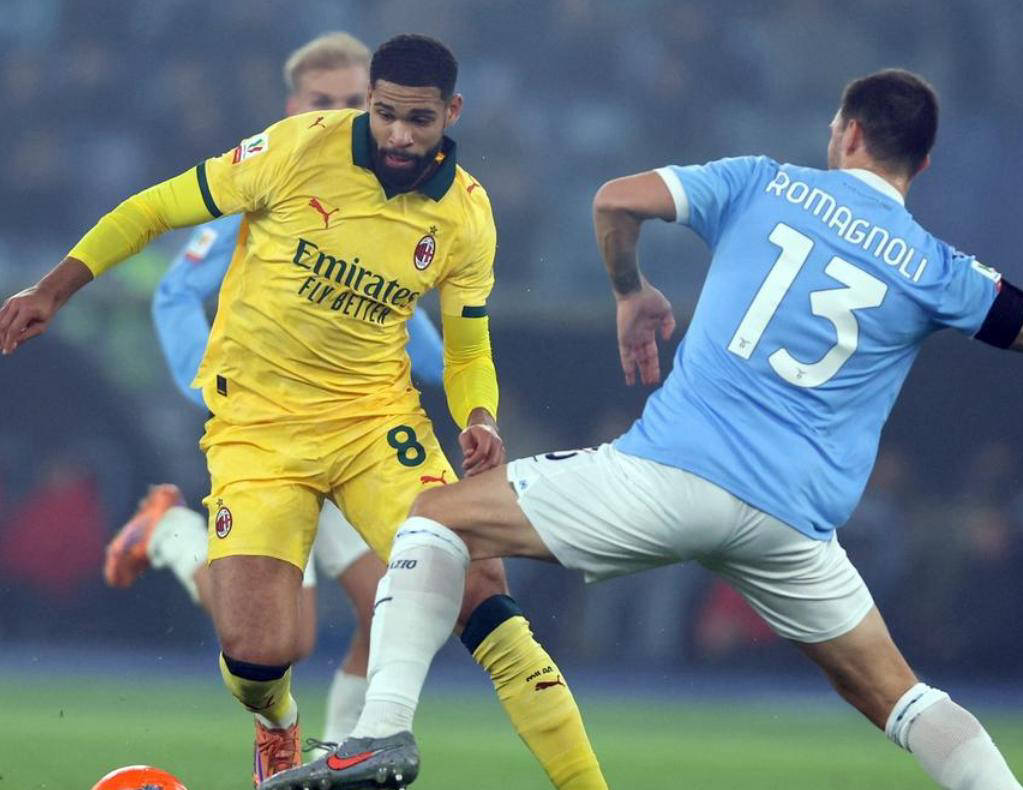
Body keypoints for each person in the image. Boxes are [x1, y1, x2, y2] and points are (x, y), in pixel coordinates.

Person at [266, 68, 1023, 790]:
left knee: (437, 518)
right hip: (794, 526)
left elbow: (615, 198)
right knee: (901, 696)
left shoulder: (766, 182)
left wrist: (632, 290)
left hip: (670, 477)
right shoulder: (941, 268)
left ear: (846, 132)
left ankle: (379, 734)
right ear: (921, 165)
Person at [0, 33, 604, 789]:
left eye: (418, 119)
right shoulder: (294, 149)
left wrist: (479, 415)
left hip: (374, 426)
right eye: (385, 114)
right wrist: (52, 289)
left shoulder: (467, 214)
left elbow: (467, 348)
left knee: (481, 592)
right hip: (258, 430)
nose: (398, 135)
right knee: (260, 655)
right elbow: (155, 208)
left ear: (451, 112)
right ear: (371, 102)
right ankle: (278, 720)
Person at [99, 31, 445, 753]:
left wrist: (442, 364)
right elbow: (175, 291)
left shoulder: (384, 197)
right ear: (293, 106)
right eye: (324, 100)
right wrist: (212, 391)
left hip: (349, 430)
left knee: (398, 599)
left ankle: (340, 754)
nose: (343, 112)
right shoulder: (272, 184)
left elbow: (389, 309)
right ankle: (170, 534)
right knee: (290, 639)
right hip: (270, 432)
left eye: (355, 100)